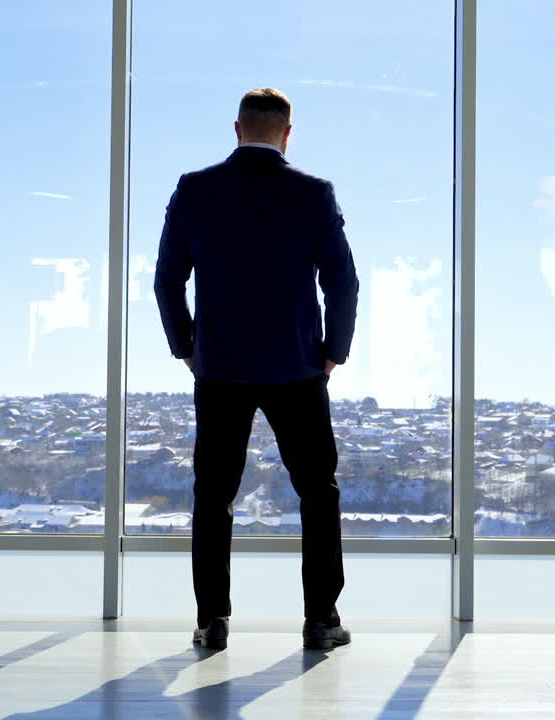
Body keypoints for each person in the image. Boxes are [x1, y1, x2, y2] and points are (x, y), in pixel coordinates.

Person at [154, 87, 359, 651]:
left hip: (219, 366)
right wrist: (333, 349)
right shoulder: (313, 193)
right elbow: (342, 280)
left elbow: (168, 279)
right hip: (297, 365)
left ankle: (211, 620)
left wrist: (186, 347)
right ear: (287, 134)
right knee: (318, 491)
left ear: (238, 128)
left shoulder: (195, 189)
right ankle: (321, 619)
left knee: (213, 495)